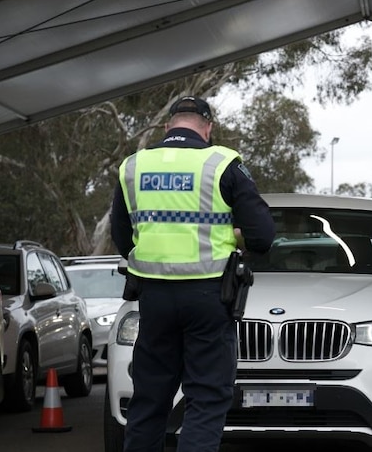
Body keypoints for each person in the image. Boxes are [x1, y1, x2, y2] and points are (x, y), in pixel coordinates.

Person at [110, 95, 275, 452]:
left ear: (169, 126)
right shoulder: (222, 163)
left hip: (153, 299)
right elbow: (263, 237)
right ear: (208, 128)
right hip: (209, 298)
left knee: (149, 400)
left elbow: (122, 237)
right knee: (205, 399)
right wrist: (235, 237)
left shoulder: (133, 167)